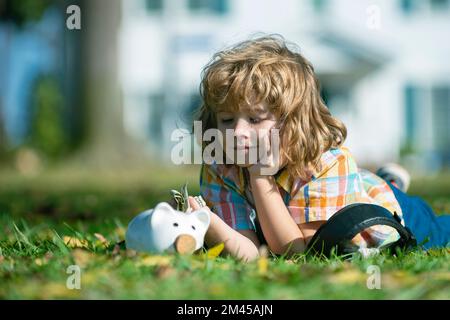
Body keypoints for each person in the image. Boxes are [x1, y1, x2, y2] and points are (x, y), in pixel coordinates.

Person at [187, 35, 450, 262]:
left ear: (293, 121)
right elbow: (251, 253)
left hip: (388, 210)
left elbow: (297, 251)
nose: (238, 132)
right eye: (227, 119)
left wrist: (260, 176)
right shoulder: (221, 166)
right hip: (344, 188)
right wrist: (207, 222)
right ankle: (390, 176)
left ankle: (390, 182)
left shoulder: (327, 162)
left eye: (255, 119)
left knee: (439, 231)